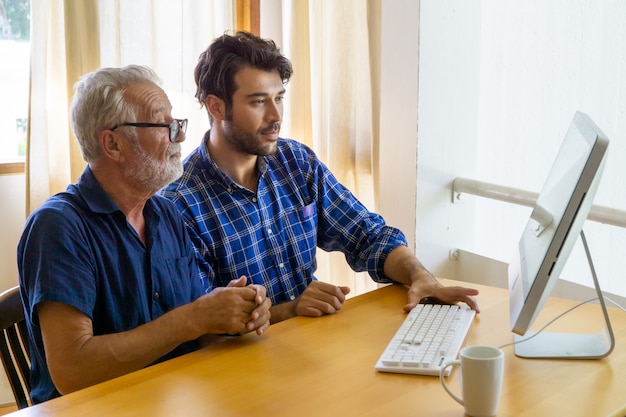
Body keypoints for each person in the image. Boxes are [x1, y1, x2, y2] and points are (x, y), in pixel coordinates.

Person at [161, 31, 479, 324]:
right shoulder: (179, 204)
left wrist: (422, 277)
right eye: (258, 101)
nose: (275, 116)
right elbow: (200, 326)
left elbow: (367, 235)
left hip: (309, 352)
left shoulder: (296, 161)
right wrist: (293, 308)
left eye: (279, 98)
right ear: (216, 107)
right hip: (238, 371)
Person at [17, 64, 271, 404]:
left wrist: (235, 313)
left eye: (176, 123)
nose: (179, 136)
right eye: (163, 125)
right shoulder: (59, 226)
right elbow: (72, 370)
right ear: (113, 144)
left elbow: (197, 333)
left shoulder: (166, 213)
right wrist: (194, 318)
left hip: (174, 399)